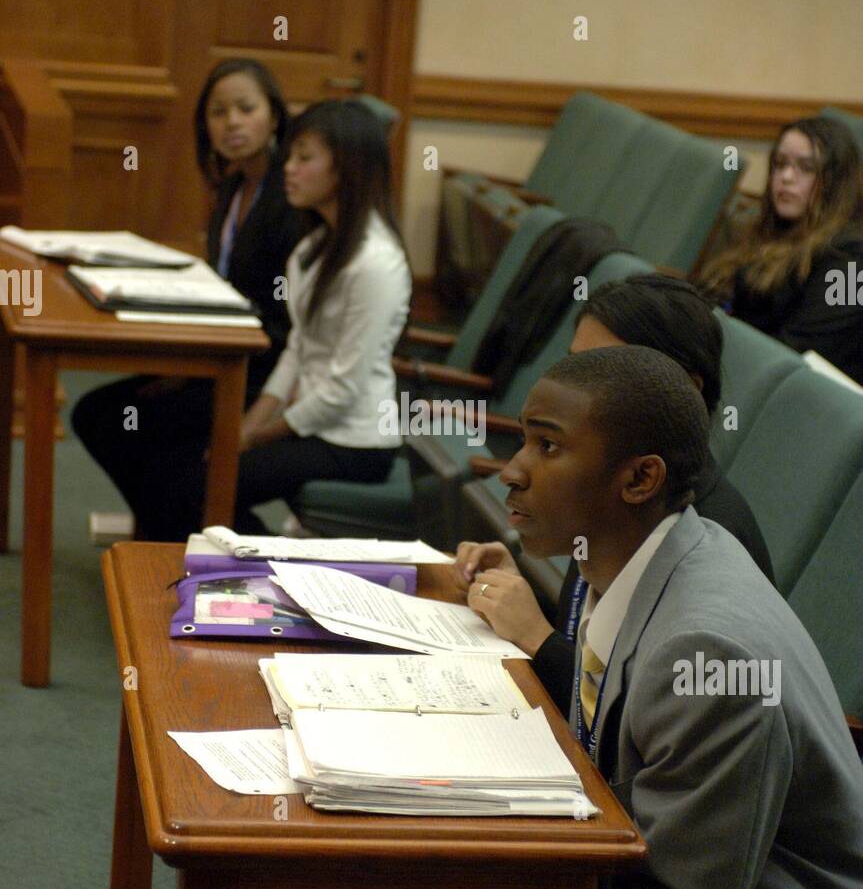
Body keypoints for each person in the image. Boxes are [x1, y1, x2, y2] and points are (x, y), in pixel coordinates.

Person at [297, 348, 863, 889]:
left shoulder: (707, 653)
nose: (511, 468)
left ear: (638, 477)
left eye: (547, 445)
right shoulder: (631, 557)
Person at [456, 273, 774, 714]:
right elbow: (592, 646)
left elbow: (640, 721)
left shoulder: (706, 535)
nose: (574, 385)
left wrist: (536, 637)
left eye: (605, 367)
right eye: (573, 364)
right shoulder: (606, 492)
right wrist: (519, 591)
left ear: (680, 387)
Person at [141, 98, 412, 540]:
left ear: (346, 167)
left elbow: (342, 391)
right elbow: (297, 351)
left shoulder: (376, 262)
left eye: (304, 158)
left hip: (355, 442)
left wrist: (255, 437)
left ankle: (265, 567)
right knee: (184, 468)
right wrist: (243, 428)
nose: (288, 168)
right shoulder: (312, 248)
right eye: (289, 156)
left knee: (196, 485)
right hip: (316, 425)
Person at [72, 58, 302, 537]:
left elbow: (284, 322)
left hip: (263, 372)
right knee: (100, 415)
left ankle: (216, 534)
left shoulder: (291, 195)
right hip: (217, 354)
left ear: (274, 116)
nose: (232, 122)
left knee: (136, 434)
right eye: (218, 112)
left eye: (245, 108)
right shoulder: (234, 186)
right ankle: (171, 531)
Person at [698, 115, 863, 384]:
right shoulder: (765, 234)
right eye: (780, 163)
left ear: (836, 181)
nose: (786, 177)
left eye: (806, 168)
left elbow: (799, 355)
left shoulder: (853, 261)